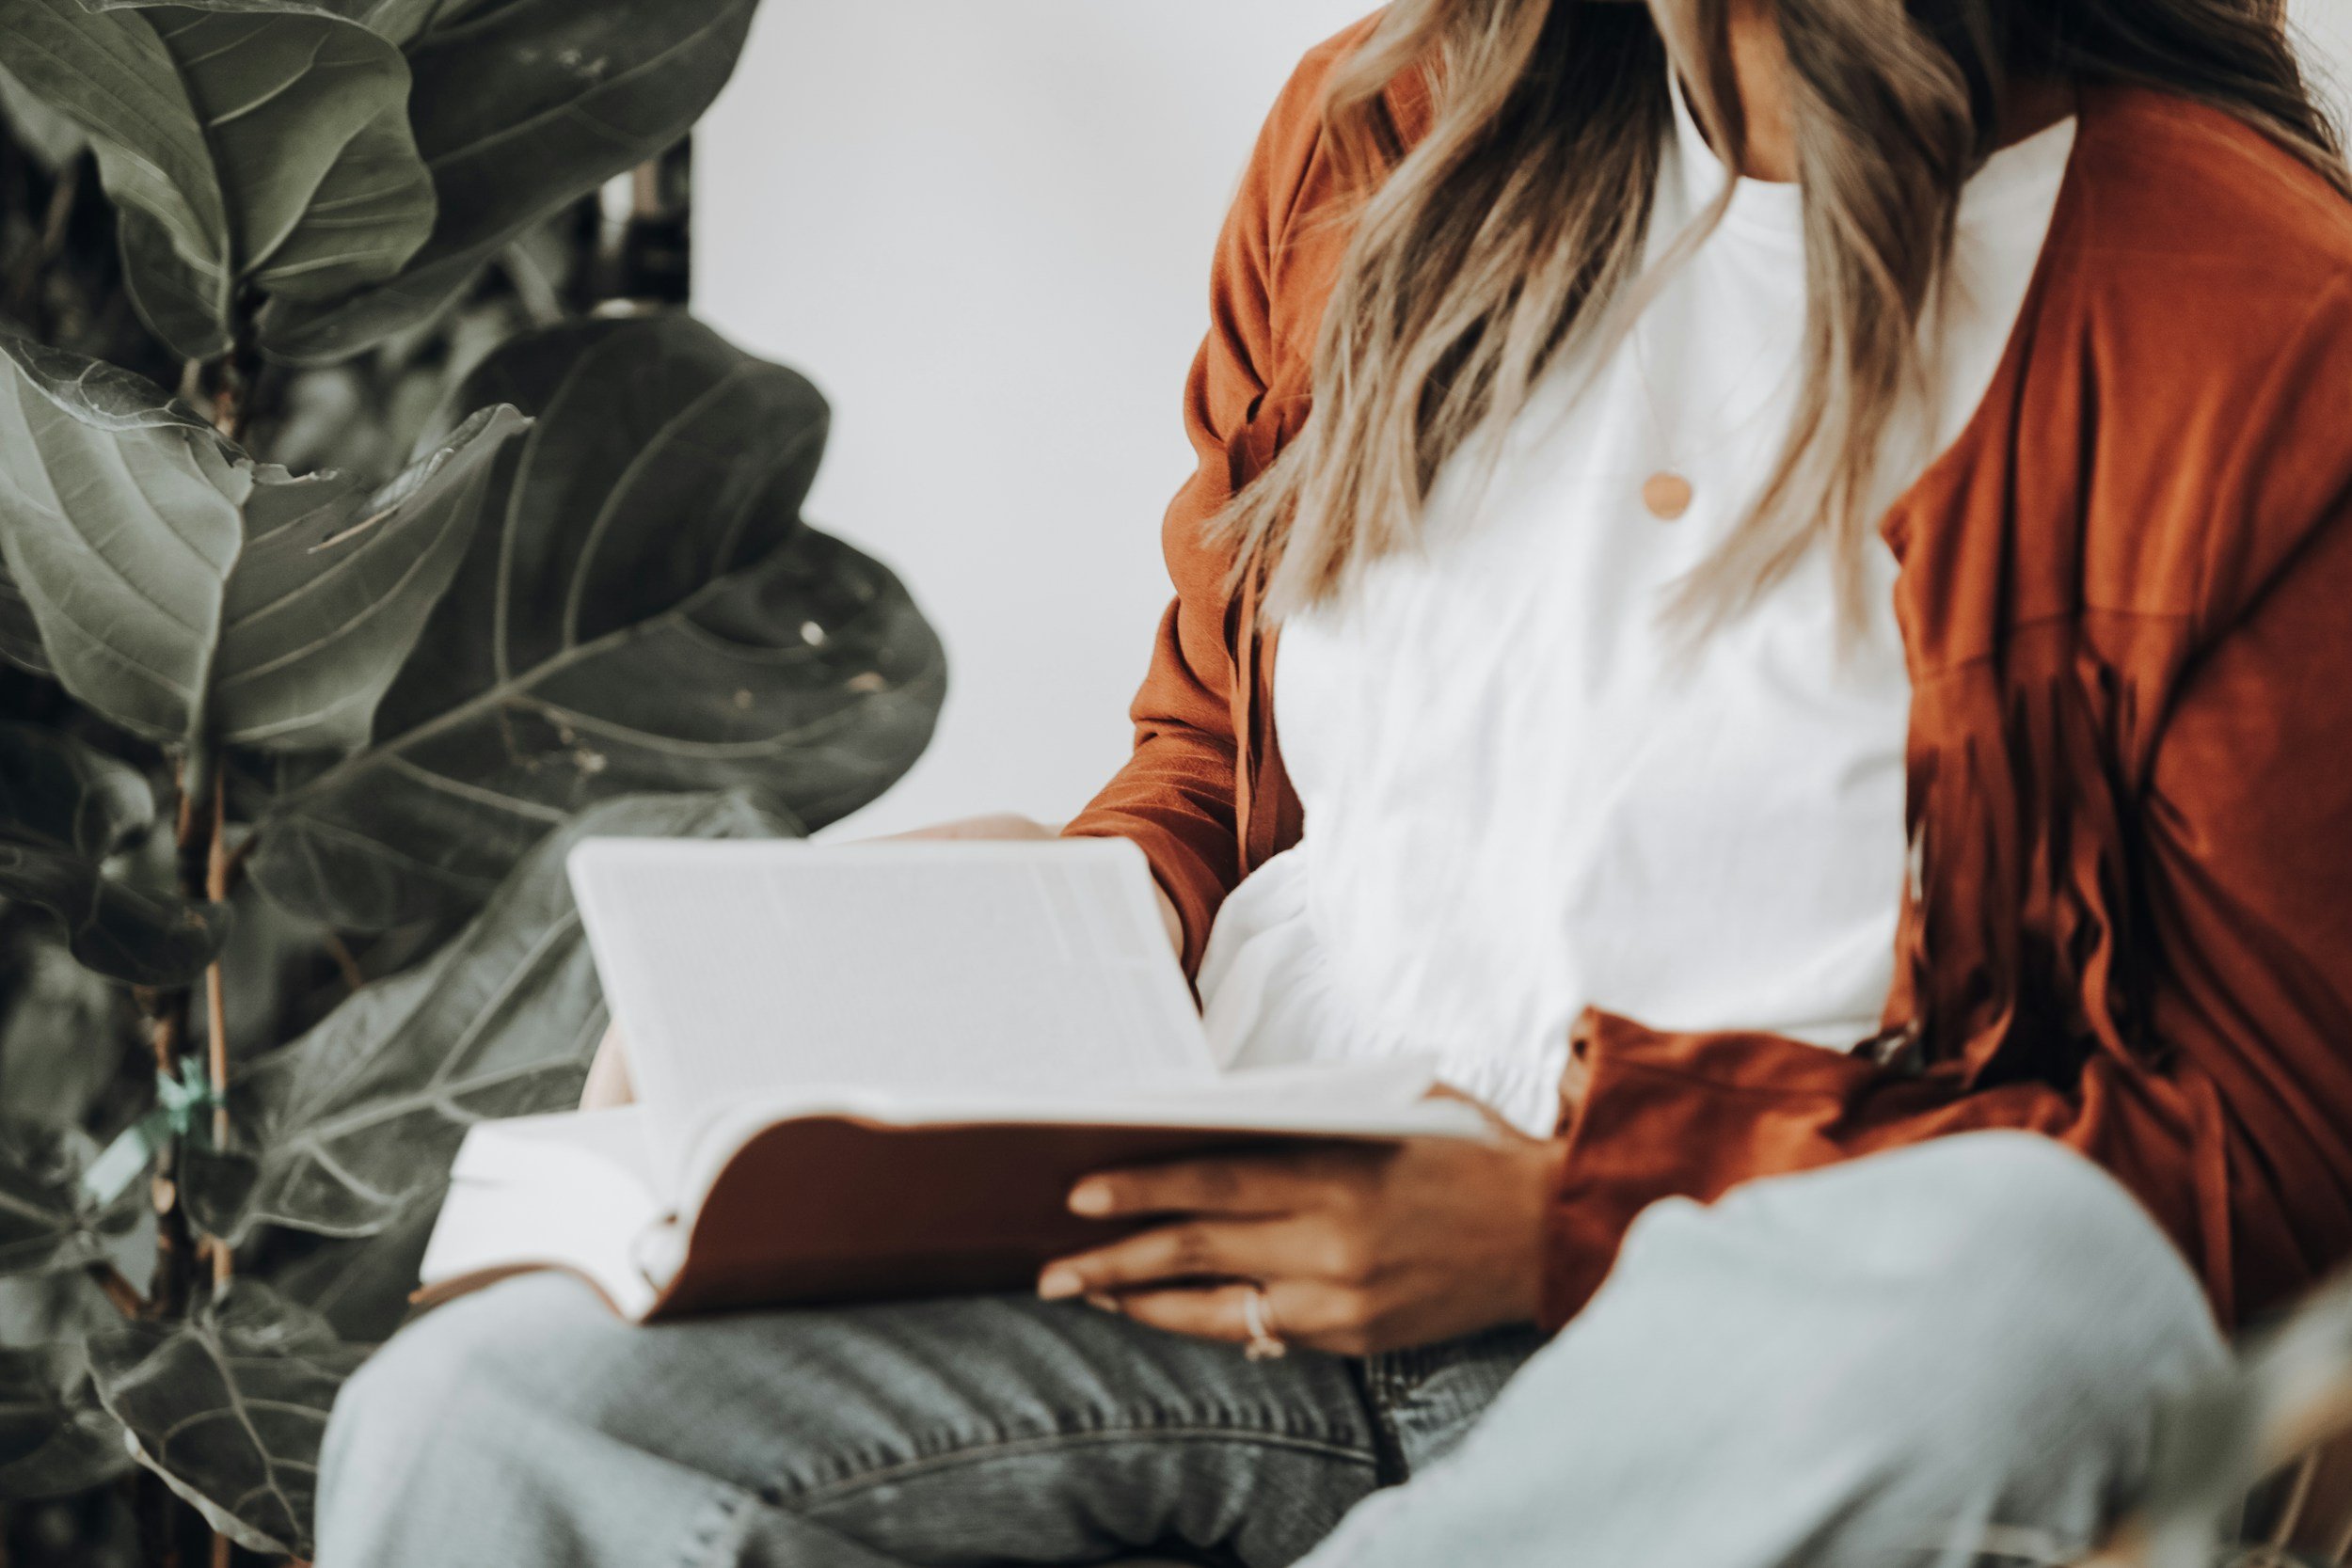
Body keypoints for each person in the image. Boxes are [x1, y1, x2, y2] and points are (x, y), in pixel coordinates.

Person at [314, 1, 2352, 1563]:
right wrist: (976, 947)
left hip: (1716, 1367)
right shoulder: (1383, 139)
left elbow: (2261, 1153)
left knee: (2030, 1288)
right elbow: (1214, 770)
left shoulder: (2242, 311)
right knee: (477, 1422)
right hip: (1201, 1260)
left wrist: (1566, 1218)